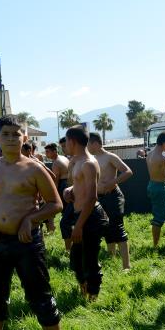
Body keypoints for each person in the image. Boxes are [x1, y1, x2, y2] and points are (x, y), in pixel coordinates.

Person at [0, 115, 65, 330]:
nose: (11, 138)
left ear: (24, 137)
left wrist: (30, 219)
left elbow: (55, 203)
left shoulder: (34, 168)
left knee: (41, 297)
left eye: (16, 134)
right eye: (5, 134)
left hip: (27, 244)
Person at [62, 125, 109, 301]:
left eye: (66, 141)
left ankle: (93, 297)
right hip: (80, 215)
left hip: (90, 217)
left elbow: (91, 197)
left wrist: (78, 226)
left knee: (90, 260)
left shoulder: (89, 163)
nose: (64, 145)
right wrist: (70, 189)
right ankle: (84, 289)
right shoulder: (78, 161)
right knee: (76, 260)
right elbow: (81, 185)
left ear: (72, 141)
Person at [87, 132, 133, 270]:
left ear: (95, 143)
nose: (86, 146)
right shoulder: (91, 159)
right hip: (99, 198)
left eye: (88, 143)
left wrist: (113, 182)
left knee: (117, 228)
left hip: (113, 196)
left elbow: (128, 171)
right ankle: (112, 259)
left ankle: (127, 266)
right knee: (106, 229)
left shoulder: (110, 157)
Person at [45, 143, 71, 249]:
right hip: (70, 185)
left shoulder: (56, 163)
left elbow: (55, 182)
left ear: (54, 151)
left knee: (66, 218)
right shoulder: (64, 158)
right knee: (68, 215)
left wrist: (51, 195)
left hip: (64, 186)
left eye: (48, 151)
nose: (46, 154)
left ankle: (69, 247)